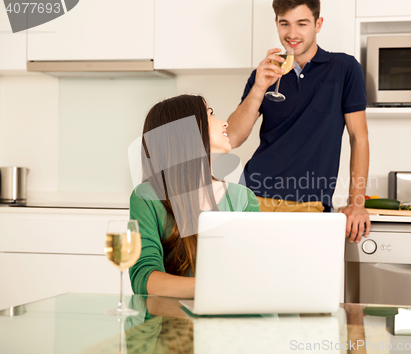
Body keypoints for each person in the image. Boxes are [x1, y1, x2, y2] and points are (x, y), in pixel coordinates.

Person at [227, 0, 370, 243]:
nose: (292, 34)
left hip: (308, 203)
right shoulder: (264, 73)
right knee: (249, 278)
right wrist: (259, 87)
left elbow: (359, 137)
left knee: (300, 279)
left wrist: (356, 203)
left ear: (318, 24)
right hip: (251, 198)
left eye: (301, 24)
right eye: (285, 24)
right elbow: (232, 138)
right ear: (276, 24)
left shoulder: (344, 68)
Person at [129, 94, 260, 298]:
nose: (224, 123)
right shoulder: (147, 198)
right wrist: (214, 289)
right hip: (173, 322)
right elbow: (144, 278)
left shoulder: (243, 197)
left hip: (234, 316)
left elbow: (256, 269)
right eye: (210, 114)